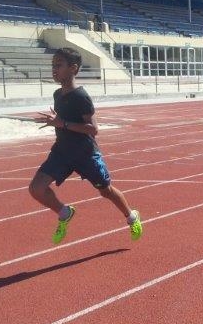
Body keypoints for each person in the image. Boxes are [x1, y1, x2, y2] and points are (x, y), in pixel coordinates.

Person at [30, 47, 143, 244]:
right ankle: (65, 213)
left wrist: (62, 123)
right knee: (36, 188)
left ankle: (131, 216)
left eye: (59, 65)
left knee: (106, 191)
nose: (54, 69)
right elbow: (62, 121)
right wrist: (57, 122)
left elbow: (93, 129)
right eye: (53, 65)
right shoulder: (58, 95)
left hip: (85, 155)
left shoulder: (81, 97)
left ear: (73, 68)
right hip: (62, 152)